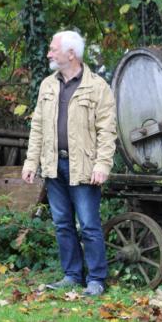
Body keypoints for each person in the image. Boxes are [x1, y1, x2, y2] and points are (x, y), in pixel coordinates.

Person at [22, 30, 117, 297]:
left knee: (88, 224)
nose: (49, 54)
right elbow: (38, 127)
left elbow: (107, 130)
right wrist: (31, 162)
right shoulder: (47, 85)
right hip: (53, 166)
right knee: (62, 224)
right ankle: (72, 275)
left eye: (53, 49)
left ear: (71, 54)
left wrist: (102, 165)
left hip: (84, 167)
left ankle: (96, 279)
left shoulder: (97, 86)